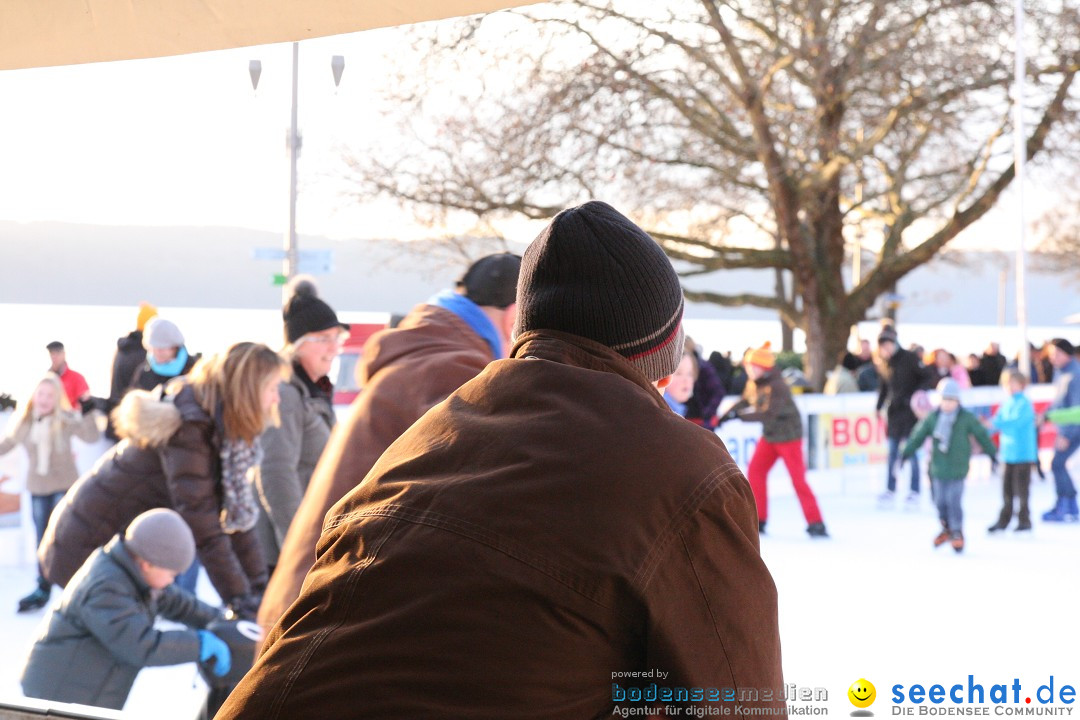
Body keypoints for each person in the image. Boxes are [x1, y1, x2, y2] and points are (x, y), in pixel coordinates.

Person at [219, 201, 783, 718]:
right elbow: (740, 696)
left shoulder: (437, 426)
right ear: (663, 344)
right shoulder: (681, 470)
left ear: (523, 325)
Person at [256, 253, 522, 631]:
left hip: (312, 603)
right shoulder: (453, 372)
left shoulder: (429, 357)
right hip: (325, 617)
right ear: (513, 317)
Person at [38, 342, 285, 619]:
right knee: (106, 652)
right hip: (86, 547)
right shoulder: (191, 430)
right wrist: (243, 601)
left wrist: (262, 590)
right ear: (249, 390)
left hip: (109, 548)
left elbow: (238, 522)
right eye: (272, 388)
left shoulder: (219, 430)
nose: (277, 399)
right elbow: (205, 528)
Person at [21, 509, 229, 710]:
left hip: (89, 689)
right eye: (172, 574)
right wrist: (198, 644)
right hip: (58, 695)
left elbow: (177, 602)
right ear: (148, 564)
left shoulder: (133, 574)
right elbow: (139, 645)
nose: (171, 581)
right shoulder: (105, 587)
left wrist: (220, 620)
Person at [253, 277, 347, 568]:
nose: (334, 348)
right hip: (285, 554)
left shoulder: (312, 390)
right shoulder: (286, 393)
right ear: (298, 344)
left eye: (337, 338)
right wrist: (299, 553)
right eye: (324, 339)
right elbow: (276, 473)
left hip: (311, 538)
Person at [0, 373, 102, 612]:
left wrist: (88, 411)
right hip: (37, 488)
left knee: (66, 536)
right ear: (33, 396)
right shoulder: (24, 423)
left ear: (57, 398)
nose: (45, 399)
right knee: (42, 539)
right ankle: (43, 587)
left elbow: (92, 436)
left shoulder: (65, 419)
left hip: (64, 487)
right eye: (41, 394)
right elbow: (6, 445)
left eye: (50, 395)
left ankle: (77, 587)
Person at [727, 342, 827, 538]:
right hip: (771, 436)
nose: (748, 370)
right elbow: (746, 400)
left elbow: (769, 413)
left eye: (751, 366)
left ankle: (816, 522)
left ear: (762, 367)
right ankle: (759, 519)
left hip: (789, 437)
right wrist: (726, 414)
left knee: (798, 480)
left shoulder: (777, 385)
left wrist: (739, 417)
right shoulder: (755, 382)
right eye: (747, 366)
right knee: (755, 472)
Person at [900, 379, 998, 552]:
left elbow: (981, 434)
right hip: (938, 468)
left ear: (958, 401)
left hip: (958, 468)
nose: (948, 404)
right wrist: (906, 452)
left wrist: (992, 453)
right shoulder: (933, 418)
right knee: (939, 502)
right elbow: (918, 435)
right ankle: (947, 529)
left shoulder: (965, 418)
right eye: (945, 400)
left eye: (951, 400)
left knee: (954, 501)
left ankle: (957, 531)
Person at [876, 329, 930, 508]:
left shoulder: (909, 358)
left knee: (912, 451)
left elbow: (926, 377)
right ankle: (890, 488)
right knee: (892, 453)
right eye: (883, 346)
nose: (886, 348)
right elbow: (884, 387)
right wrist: (879, 406)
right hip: (894, 414)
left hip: (910, 414)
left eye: (888, 344)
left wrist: (914, 397)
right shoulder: (885, 363)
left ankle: (915, 490)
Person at [987, 371, 1037, 533]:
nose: (1009, 387)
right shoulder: (1007, 403)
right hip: (1008, 454)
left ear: (1021, 384)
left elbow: (1015, 422)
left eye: (1012, 383)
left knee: (1022, 489)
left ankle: (1024, 519)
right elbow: (997, 421)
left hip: (1022, 454)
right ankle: (1004, 519)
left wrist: (997, 424)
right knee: (1006, 489)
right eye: (1006, 383)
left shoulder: (1024, 403)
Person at [1041, 338, 1080, 522]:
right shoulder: (1061, 373)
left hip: (1073, 429)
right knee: (1058, 464)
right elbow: (1059, 402)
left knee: (1057, 463)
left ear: (1067, 353)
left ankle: (1065, 503)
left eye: (1056, 354)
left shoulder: (1075, 375)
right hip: (1065, 427)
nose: (1052, 358)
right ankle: (1068, 504)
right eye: (1050, 355)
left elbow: (1076, 410)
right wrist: (1045, 415)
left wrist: (1066, 435)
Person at [129, 317, 201, 392]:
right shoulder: (144, 373)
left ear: (174, 347)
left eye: (161, 349)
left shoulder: (194, 370)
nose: (156, 353)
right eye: (152, 349)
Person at [683, 337, 725, 428]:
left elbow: (718, 392)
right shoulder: (678, 366)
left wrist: (707, 413)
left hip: (701, 421)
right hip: (684, 418)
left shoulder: (704, 368)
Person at [46, 341, 90, 410]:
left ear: (64, 354)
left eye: (57, 353)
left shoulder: (77, 378)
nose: (54, 357)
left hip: (71, 418)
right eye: (52, 353)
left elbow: (84, 406)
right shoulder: (46, 380)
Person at [662, 351, 696, 416]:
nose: (686, 380)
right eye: (679, 373)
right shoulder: (665, 414)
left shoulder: (678, 410)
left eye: (690, 374)